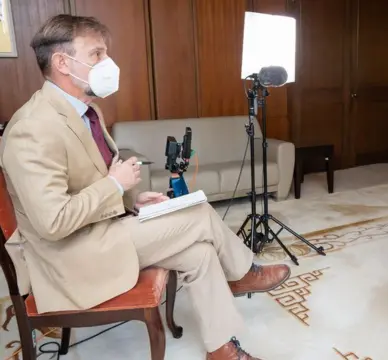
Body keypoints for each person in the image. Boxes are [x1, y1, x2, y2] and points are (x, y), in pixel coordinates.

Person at [0, 14, 290, 360]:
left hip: (101, 232)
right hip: (70, 257)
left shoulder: (86, 111)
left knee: (199, 252)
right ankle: (242, 273)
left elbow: (89, 183)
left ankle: (221, 349)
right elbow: (53, 222)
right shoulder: (32, 128)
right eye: (97, 55)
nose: (108, 64)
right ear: (63, 62)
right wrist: (113, 184)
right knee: (196, 212)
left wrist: (134, 201)